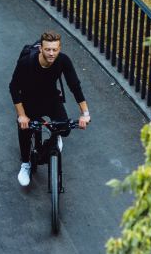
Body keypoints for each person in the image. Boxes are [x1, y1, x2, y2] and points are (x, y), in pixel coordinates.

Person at [8, 30, 90, 186]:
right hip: (29, 100)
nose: (51, 53)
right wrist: (21, 115)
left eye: (54, 49)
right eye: (47, 49)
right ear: (41, 49)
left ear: (59, 49)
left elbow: (74, 86)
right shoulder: (26, 62)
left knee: (64, 129)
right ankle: (25, 164)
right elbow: (14, 88)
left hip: (51, 98)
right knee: (25, 129)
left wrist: (85, 113)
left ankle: (53, 138)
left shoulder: (63, 60)